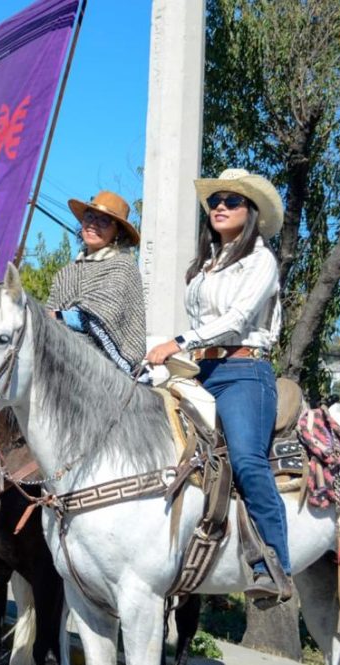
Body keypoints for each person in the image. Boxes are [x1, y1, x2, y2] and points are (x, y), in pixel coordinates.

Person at [145, 168, 291, 606]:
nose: (220, 207)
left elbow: (236, 321)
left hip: (244, 373)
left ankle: (273, 565)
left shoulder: (261, 260)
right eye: (215, 201)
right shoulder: (207, 266)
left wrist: (178, 342)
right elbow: (203, 327)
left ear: (252, 213)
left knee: (246, 461)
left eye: (232, 200)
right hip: (200, 371)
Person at [47, 191, 146, 374]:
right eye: (89, 217)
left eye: (104, 221)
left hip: (104, 369)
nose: (93, 224)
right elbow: (48, 317)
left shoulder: (123, 266)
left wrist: (55, 316)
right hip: (60, 358)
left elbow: (101, 317)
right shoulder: (66, 272)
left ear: (118, 232)